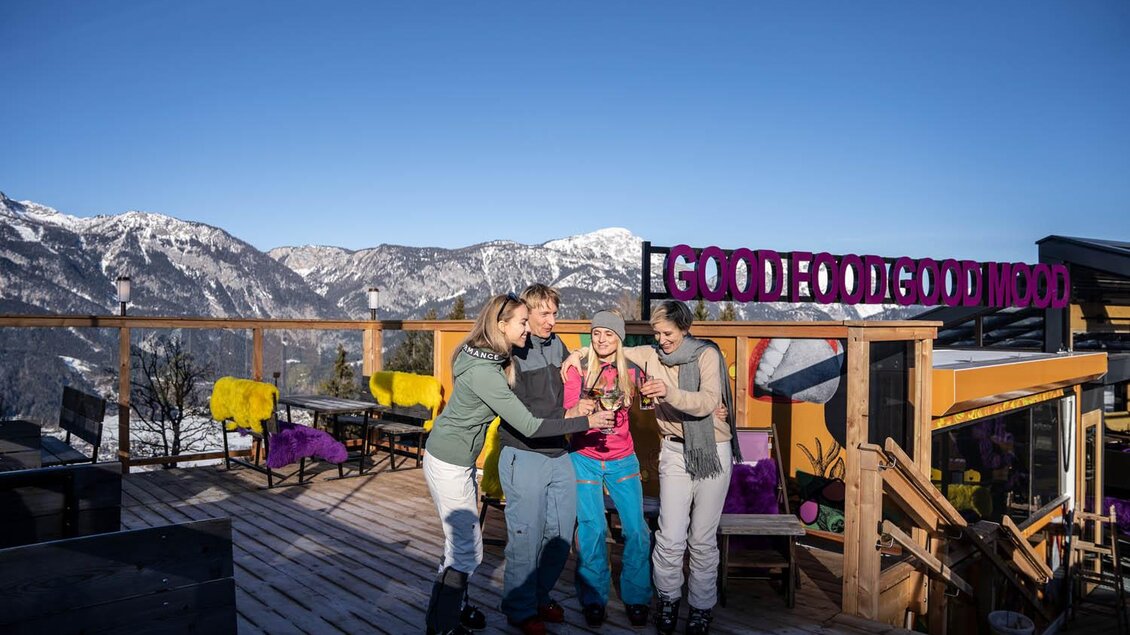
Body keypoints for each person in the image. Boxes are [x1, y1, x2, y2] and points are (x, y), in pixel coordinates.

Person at [423, 293, 615, 635]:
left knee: (463, 547)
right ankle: (442, 625)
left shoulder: (483, 352)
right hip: (450, 459)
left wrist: (573, 362)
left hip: (462, 457)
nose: (533, 327)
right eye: (525, 321)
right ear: (502, 326)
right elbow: (527, 425)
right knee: (467, 550)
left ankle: (455, 608)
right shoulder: (489, 371)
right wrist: (586, 422)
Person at [563, 300, 741, 635]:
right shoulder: (644, 355)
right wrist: (576, 354)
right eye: (657, 333)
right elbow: (603, 351)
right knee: (657, 536)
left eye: (667, 332)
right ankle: (661, 600)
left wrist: (673, 393)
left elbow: (707, 401)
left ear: (684, 328)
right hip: (644, 453)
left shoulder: (701, 356)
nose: (661, 339)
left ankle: (693, 607)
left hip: (704, 450)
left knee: (689, 537)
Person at [496, 284, 577, 634]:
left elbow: (567, 388)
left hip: (559, 451)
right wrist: (573, 414)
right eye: (544, 314)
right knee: (526, 536)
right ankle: (520, 608)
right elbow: (528, 414)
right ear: (527, 315)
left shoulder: (557, 345)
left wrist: (575, 362)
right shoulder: (513, 351)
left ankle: (539, 594)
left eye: (555, 313)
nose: (552, 320)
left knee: (560, 532)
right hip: (523, 452)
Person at [563, 309, 652, 628]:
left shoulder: (633, 370)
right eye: (596, 333)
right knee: (592, 529)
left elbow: (662, 374)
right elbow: (567, 408)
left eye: (608, 334)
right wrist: (579, 410)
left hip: (622, 458)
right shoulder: (578, 367)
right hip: (584, 455)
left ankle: (637, 597)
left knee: (636, 530)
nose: (601, 339)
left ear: (619, 338)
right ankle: (593, 598)